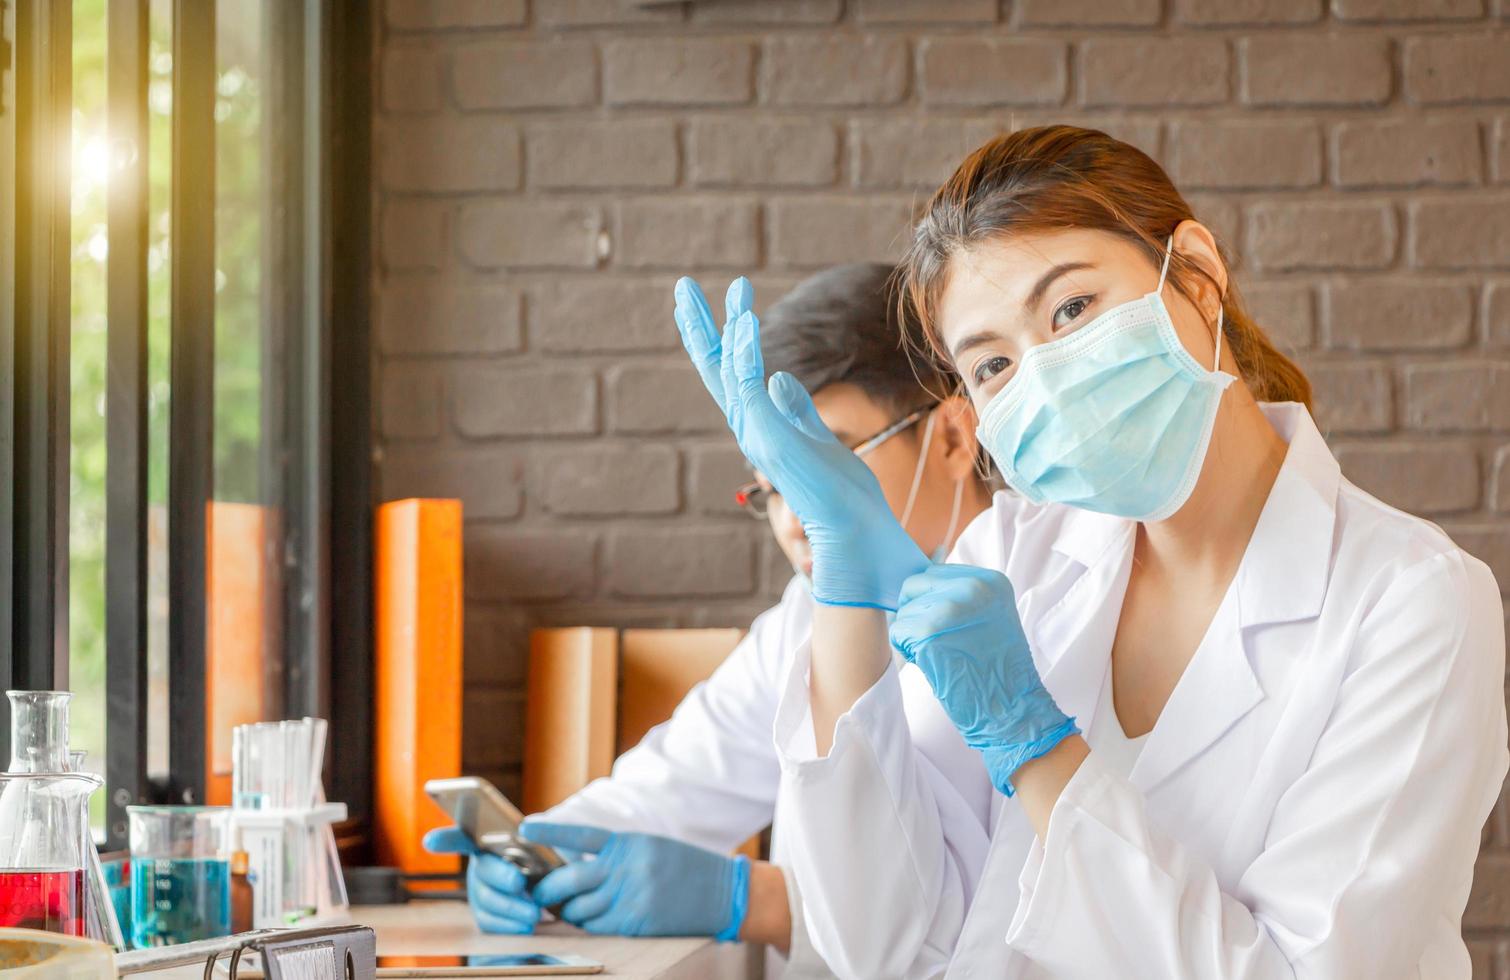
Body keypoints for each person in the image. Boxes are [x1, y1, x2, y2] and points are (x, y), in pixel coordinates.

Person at [672, 125, 1508, 978]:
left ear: (1197, 276)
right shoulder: (1009, 557)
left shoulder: (1413, 601)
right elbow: (879, 947)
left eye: (1072, 308)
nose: (1044, 375)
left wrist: (1037, 744)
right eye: (993, 364)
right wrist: (845, 598)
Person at [425, 263, 995, 977]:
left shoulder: (1037, 611)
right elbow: (673, 785)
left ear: (950, 438)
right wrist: (540, 854)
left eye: (829, 462)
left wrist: (753, 899)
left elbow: (1018, 906)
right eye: (770, 486)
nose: (795, 518)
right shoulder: (799, 626)